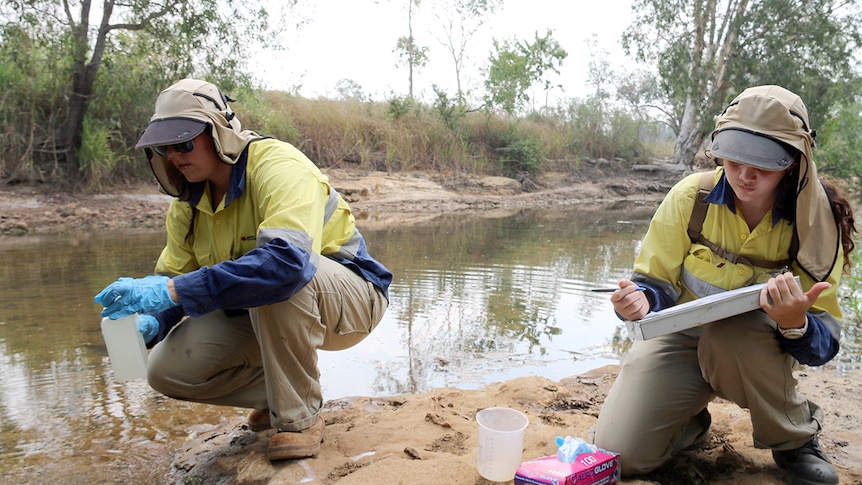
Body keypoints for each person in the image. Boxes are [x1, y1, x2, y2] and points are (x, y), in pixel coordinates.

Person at [94, 79, 392, 461]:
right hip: (267, 308)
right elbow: (175, 284)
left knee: (275, 278)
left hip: (350, 300)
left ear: (218, 132)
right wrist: (153, 320)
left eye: (184, 142)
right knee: (165, 370)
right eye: (165, 147)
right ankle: (282, 394)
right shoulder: (187, 204)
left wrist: (172, 292)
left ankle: (300, 418)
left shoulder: (278, 166)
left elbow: (288, 265)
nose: (175, 156)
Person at [592, 85, 855, 485]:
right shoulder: (690, 198)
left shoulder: (816, 223)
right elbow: (652, 284)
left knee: (730, 336)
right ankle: (685, 422)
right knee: (620, 458)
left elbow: (824, 346)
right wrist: (639, 302)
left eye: (764, 165)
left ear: (794, 162)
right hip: (678, 339)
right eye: (734, 160)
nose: (745, 176)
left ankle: (793, 441)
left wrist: (794, 323)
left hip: (752, 347)